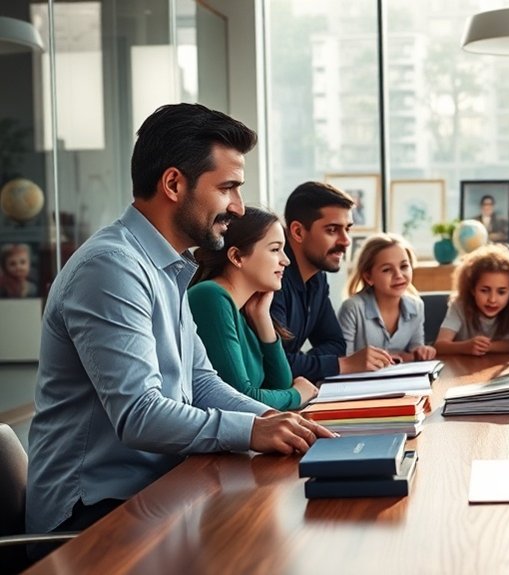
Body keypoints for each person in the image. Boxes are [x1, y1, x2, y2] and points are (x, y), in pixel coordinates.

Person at [26, 103, 332, 541]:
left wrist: (279, 421)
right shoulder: (111, 267)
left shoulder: (167, 268)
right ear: (173, 183)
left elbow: (200, 381)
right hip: (92, 515)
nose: (239, 207)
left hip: (156, 490)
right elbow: (138, 413)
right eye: (227, 187)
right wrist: (253, 428)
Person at [188, 207, 319, 411]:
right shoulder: (210, 296)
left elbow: (280, 384)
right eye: (275, 249)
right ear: (237, 256)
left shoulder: (241, 309)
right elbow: (241, 400)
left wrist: (262, 317)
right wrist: (297, 394)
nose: (286, 260)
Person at [271, 181, 392, 381]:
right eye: (332, 230)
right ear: (298, 232)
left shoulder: (317, 278)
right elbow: (273, 366)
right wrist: (342, 364)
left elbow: (335, 344)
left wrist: (299, 364)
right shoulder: (273, 278)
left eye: (347, 229)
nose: (346, 241)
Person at [339, 233, 437, 362]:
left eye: (404, 266)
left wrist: (424, 351)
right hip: (361, 381)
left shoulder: (416, 306)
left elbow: (415, 350)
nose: (399, 275)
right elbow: (343, 360)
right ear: (368, 277)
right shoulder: (352, 308)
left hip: (401, 380)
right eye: (387, 270)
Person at [434, 244, 509, 356]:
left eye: (501, 292)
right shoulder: (459, 305)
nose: (492, 299)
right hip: (462, 368)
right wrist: (465, 347)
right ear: (472, 289)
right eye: (484, 290)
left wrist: (487, 347)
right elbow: (440, 345)